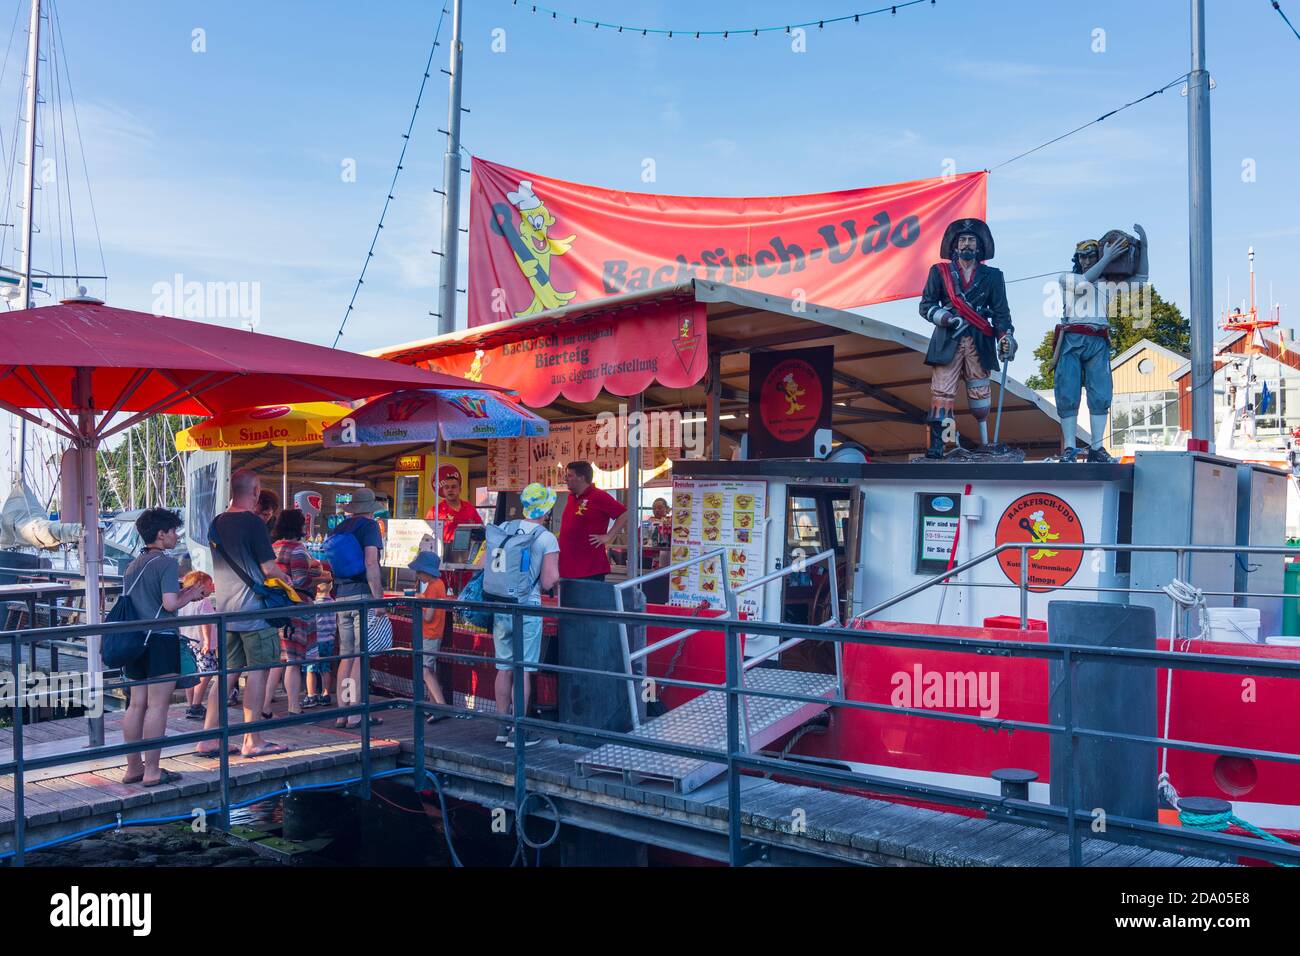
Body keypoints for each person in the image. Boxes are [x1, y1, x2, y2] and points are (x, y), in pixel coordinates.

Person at [196, 468, 294, 758]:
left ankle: (209, 738)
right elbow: (268, 568)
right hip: (254, 612)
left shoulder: (216, 523)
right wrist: (286, 580)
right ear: (255, 491)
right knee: (257, 674)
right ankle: (253, 740)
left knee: (225, 676)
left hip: (226, 612)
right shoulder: (253, 524)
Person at [121, 508, 208, 786]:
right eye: (173, 531)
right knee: (158, 706)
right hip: (160, 640)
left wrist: (185, 593)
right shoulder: (166, 563)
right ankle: (153, 771)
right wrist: (189, 596)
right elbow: (170, 605)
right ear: (161, 534)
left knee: (136, 705)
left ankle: (133, 767)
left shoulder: (134, 564)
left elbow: (153, 601)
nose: (176, 535)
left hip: (136, 640)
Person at [918, 218, 1017, 458]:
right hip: (948, 338)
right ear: (954, 245)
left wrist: (1006, 337)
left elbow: (1001, 314)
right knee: (942, 394)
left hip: (979, 339)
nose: (966, 244)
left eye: (971, 240)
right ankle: (941, 446)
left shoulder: (993, 276)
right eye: (962, 240)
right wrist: (945, 318)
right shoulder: (939, 272)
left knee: (980, 392)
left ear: (979, 245)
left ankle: (985, 442)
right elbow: (926, 305)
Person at [1053, 224, 1149, 463]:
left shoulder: (1107, 284)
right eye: (1082, 257)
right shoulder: (1067, 279)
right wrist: (1106, 258)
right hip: (1072, 339)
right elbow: (1085, 283)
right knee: (1068, 391)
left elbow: (1141, 280)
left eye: (1090, 256)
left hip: (1098, 340)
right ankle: (1070, 448)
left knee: (1100, 393)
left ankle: (1097, 447)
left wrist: (1144, 248)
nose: (1086, 260)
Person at [490, 482, 560, 748]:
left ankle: (501, 728)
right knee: (524, 671)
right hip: (527, 608)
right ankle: (518, 731)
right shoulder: (545, 537)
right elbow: (549, 579)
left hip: (500, 606)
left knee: (504, 668)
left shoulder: (505, 528)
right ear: (546, 509)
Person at [329, 486, 386, 730]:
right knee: (361, 657)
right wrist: (379, 599)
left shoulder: (339, 527)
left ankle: (343, 712)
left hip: (341, 596)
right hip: (363, 596)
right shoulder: (369, 527)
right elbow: (371, 562)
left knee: (346, 655)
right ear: (370, 510)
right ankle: (356, 714)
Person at [264, 508, 324, 719]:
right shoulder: (298, 550)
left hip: (275, 608)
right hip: (297, 608)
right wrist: (317, 576)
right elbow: (298, 581)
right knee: (294, 660)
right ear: (298, 526)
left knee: (278, 660)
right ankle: (293, 706)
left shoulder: (273, 547)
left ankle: (265, 706)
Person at [558, 461, 628, 582]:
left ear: (581, 478)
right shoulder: (571, 497)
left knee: (588, 601)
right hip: (567, 567)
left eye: (569, 475)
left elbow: (624, 513)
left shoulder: (598, 496)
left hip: (589, 568)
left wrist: (609, 536)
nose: (565, 479)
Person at [409, 550, 450, 724]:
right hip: (435, 634)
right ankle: (434, 706)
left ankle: (441, 707)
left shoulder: (433, 588)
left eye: (419, 571)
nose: (417, 575)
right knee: (430, 669)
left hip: (429, 634)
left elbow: (428, 617)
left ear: (427, 571)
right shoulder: (439, 585)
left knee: (424, 670)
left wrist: (418, 604)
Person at [177, 570, 217, 720]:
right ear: (200, 585)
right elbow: (205, 621)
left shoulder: (182, 600)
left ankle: (191, 704)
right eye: (209, 584)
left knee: (191, 672)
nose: (211, 587)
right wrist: (207, 641)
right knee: (206, 672)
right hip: (201, 643)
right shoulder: (203, 601)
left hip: (187, 640)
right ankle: (196, 705)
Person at [302, 579, 336, 708]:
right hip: (329, 640)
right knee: (325, 667)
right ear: (330, 588)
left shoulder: (313, 604)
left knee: (311, 668)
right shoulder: (334, 604)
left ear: (316, 589)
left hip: (314, 640)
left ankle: (311, 695)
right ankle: (326, 694)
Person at [425, 467, 480, 545]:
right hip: (442, 551)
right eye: (447, 487)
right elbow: (426, 535)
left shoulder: (469, 508)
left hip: (466, 550)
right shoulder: (435, 511)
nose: (450, 490)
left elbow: (481, 530)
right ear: (443, 491)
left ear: (460, 490)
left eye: (453, 487)